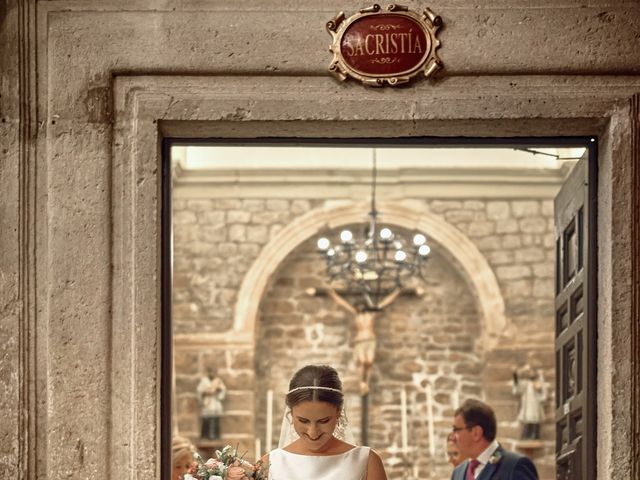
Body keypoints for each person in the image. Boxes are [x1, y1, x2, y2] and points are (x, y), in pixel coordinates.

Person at [263, 364, 387, 480]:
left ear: (339, 411)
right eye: (303, 421)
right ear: (291, 413)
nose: (313, 433)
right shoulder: (269, 464)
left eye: (324, 421)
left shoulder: (367, 461)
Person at [306, 287, 401, 396]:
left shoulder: (372, 314)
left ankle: (366, 383)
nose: (361, 307)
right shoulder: (356, 314)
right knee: (362, 361)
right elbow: (343, 303)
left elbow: (385, 303)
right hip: (360, 341)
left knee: (369, 362)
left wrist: (396, 293)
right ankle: (362, 382)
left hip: (370, 340)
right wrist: (332, 294)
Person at [450, 399, 538, 480]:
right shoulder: (458, 473)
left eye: (456, 430)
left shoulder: (515, 466)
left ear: (476, 433)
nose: (452, 438)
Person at [512, 365, 548, 440]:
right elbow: (517, 388)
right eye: (529, 372)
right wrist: (515, 376)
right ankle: (526, 436)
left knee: (535, 421)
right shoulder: (526, 384)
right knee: (528, 421)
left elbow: (544, 396)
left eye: (532, 372)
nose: (530, 373)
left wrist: (540, 389)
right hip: (527, 406)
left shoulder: (539, 382)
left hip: (536, 405)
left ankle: (535, 435)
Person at [196, 367, 227, 439]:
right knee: (206, 420)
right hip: (207, 402)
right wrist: (205, 392)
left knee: (215, 420)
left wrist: (218, 390)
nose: (212, 374)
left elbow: (223, 390)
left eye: (214, 372)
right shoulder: (204, 381)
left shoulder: (218, 381)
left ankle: (216, 436)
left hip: (215, 401)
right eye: (211, 372)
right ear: (208, 373)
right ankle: (205, 436)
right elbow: (199, 391)